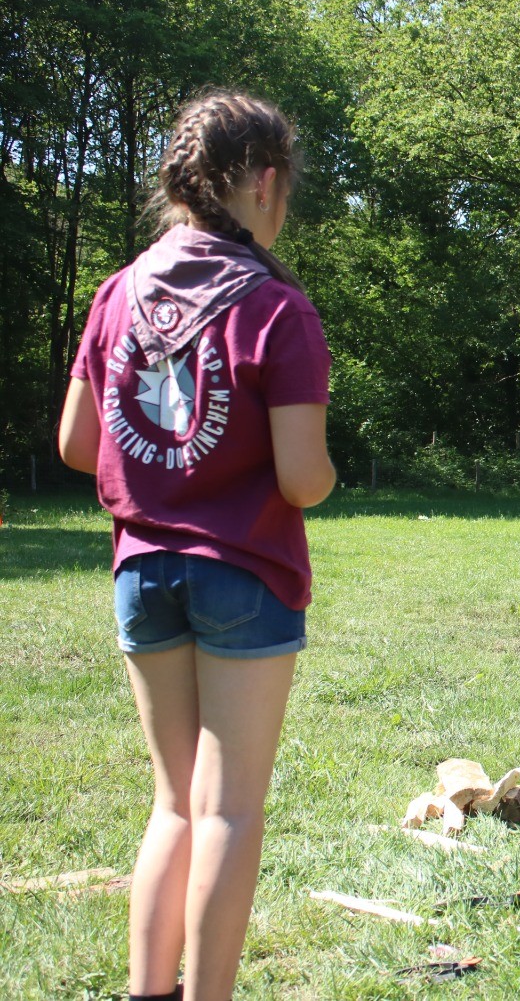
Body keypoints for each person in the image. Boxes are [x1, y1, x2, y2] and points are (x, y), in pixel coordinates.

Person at [57, 90, 335, 1001]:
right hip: (243, 574)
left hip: (142, 573)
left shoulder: (117, 293)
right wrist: (325, 474)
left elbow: (76, 445)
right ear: (263, 182)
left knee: (173, 804)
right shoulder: (276, 309)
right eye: (285, 185)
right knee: (227, 810)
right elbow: (302, 480)